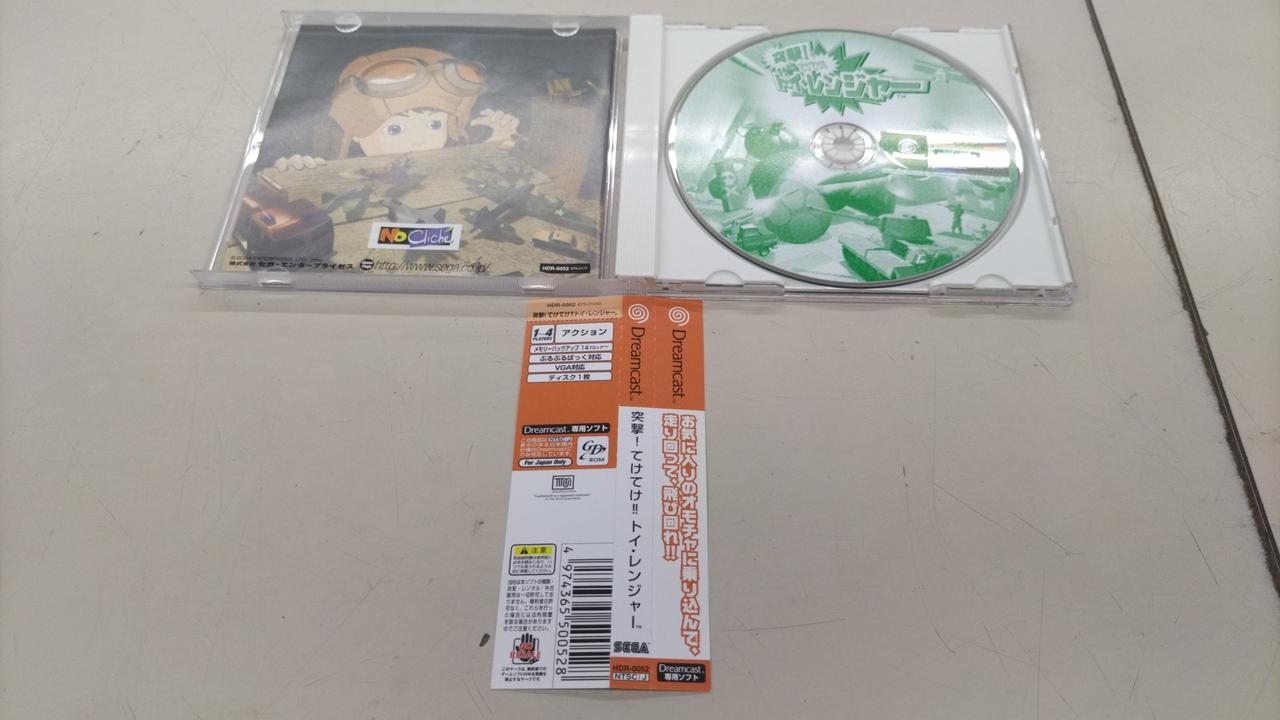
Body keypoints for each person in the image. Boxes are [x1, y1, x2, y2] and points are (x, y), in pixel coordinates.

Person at [272, 47, 519, 171]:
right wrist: (294, 174)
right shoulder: (339, 166)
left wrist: (497, 146)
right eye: (395, 129)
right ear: (356, 133)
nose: (420, 141)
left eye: (435, 124)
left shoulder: (441, 163)